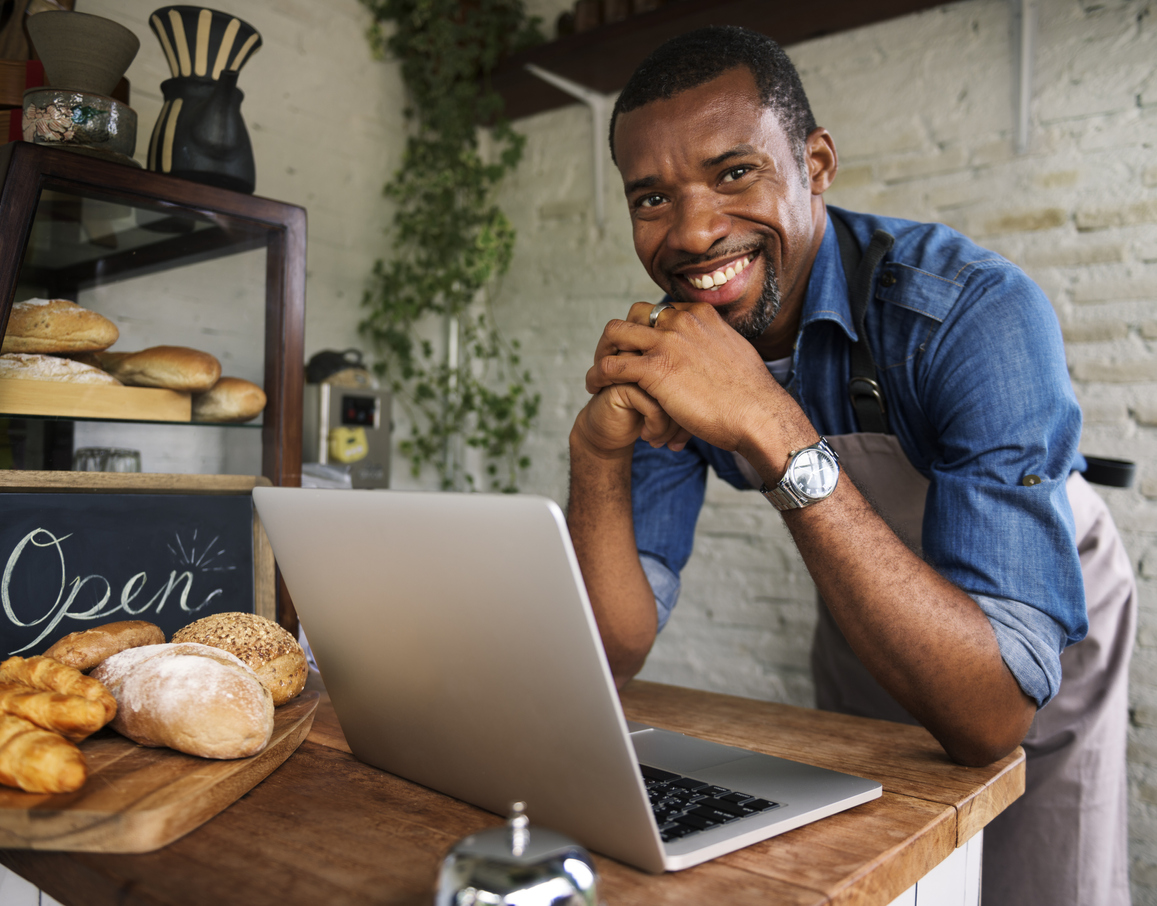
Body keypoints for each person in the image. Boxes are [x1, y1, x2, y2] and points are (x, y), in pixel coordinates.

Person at [565, 25, 1136, 906]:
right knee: (877, 870)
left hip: (1039, 643)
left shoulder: (969, 314)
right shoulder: (679, 347)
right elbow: (613, 646)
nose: (694, 232)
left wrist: (767, 421)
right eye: (650, 198)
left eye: (732, 173)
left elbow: (990, 715)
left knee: (1036, 881)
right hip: (866, 622)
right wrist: (596, 455)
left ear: (816, 163)